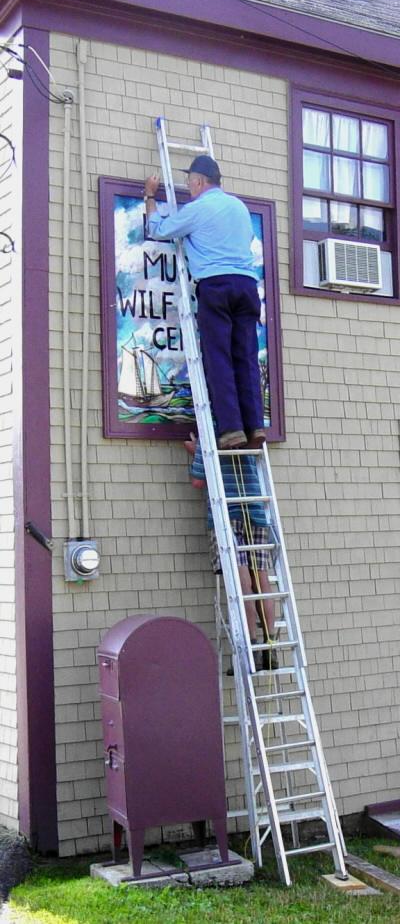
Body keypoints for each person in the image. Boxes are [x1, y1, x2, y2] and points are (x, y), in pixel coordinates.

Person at [144, 156, 265, 451]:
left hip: (216, 285)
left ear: (199, 181)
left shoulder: (197, 209)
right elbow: (246, 238)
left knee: (218, 356)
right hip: (247, 286)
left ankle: (231, 429)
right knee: (246, 357)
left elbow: (159, 229)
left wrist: (149, 196)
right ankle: (255, 425)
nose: (188, 189)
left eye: (189, 183)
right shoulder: (239, 207)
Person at [184, 434, 278, 673]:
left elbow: (197, 481)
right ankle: (270, 650)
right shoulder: (248, 429)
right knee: (262, 580)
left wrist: (197, 451)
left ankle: (250, 651)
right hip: (256, 510)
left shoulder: (210, 432)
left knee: (241, 583)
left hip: (228, 516)